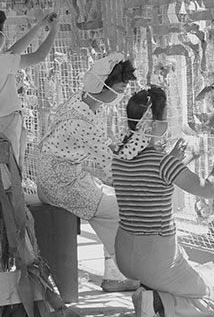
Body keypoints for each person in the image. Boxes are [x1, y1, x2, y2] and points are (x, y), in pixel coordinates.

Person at [111, 85, 214, 317]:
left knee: (180, 258)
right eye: (165, 118)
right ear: (153, 126)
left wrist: (181, 159)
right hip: (154, 258)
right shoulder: (162, 162)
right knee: (209, 303)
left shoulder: (119, 156)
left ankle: (147, 292)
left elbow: (150, 178)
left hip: (124, 256)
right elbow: (210, 190)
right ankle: (154, 302)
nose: (167, 123)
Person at [34, 52, 139, 292]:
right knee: (119, 210)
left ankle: (118, 274)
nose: (122, 94)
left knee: (109, 204)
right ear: (103, 86)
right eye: (120, 88)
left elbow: (97, 148)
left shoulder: (79, 101)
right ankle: (128, 272)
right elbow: (110, 167)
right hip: (61, 183)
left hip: (54, 176)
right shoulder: (83, 121)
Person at [0, 9, 59, 161]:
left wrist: (39, 27)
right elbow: (39, 56)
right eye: (2, 32)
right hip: (3, 125)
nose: (3, 36)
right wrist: (54, 30)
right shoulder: (0, 61)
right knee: (8, 170)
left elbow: (12, 52)